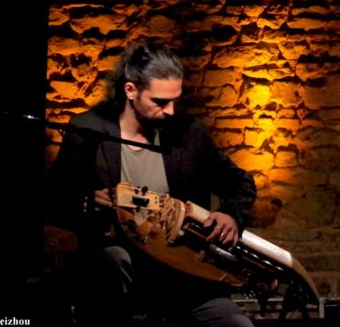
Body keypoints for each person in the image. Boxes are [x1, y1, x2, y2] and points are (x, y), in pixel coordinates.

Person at [47, 41, 258, 327]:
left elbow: (240, 183)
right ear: (131, 90)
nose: (170, 111)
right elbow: (53, 200)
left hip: (184, 273)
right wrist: (87, 202)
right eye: (159, 102)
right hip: (120, 270)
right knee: (114, 259)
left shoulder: (188, 133)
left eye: (175, 100)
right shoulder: (88, 129)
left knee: (237, 325)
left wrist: (231, 215)